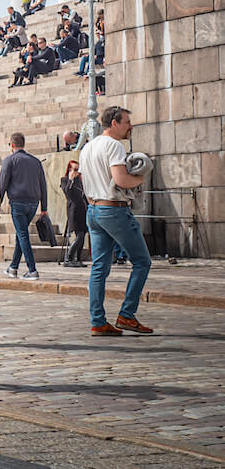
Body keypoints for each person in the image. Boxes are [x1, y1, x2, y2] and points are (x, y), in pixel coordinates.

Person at [79, 106, 153, 336]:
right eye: (127, 122)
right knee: (142, 261)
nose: (130, 126)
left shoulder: (87, 148)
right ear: (114, 123)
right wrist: (141, 176)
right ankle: (127, 315)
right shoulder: (114, 145)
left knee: (99, 268)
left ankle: (98, 321)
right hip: (114, 210)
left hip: (93, 209)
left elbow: (84, 182)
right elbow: (121, 180)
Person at [0, 132, 47, 280]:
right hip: (33, 203)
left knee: (22, 235)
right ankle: (13, 267)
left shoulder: (9, 160)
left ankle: (32, 270)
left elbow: (2, 184)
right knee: (21, 235)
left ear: (12, 145)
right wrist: (44, 207)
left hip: (18, 202)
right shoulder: (35, 161)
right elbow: (43, 185)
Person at [60, 159, 89, 267]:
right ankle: (69, 258)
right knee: (79, 235)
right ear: (69, 169)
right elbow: (68, 194)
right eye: (75, 169)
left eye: (78, 169)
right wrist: (70, 181)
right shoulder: (65, 180)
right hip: (73, 211)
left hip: (83, 210)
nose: (77, 172)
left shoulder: (80, 181)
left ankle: (77, 258)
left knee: (82, 234)